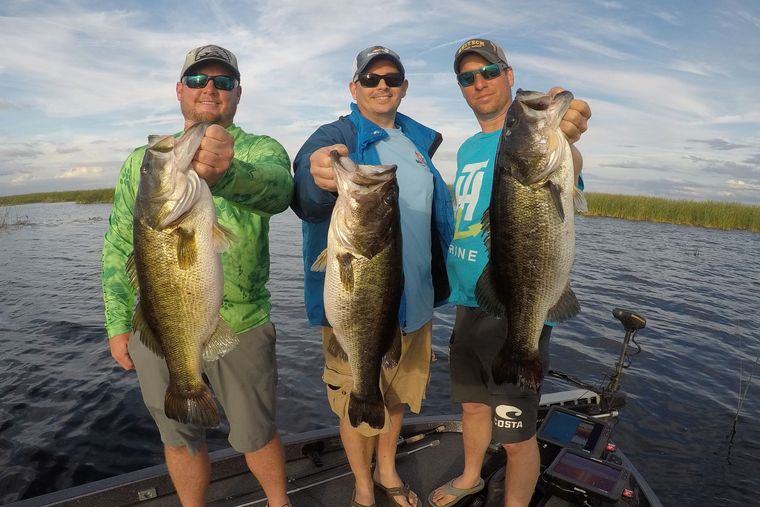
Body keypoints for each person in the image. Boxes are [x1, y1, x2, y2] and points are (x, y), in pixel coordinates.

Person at [101, 44, 294, 507]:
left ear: (237, 94)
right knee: (179, 436)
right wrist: (117, 323)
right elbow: (117, 248)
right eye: (197, 80)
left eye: (222, 82)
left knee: (255, 432)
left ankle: (280, 503)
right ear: (179, 91)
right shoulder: (143, 160)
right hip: (160, 324)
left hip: (242, 325)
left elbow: (279, 192)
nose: (209, 89)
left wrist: (227, 172)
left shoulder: (260, 149)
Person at [428, 39, 591, 507]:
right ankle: (471, 475)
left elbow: (570, 165)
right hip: (469, 300)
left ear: (509, 74)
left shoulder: (549, 144)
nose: (478, 82)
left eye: (489, 71)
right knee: (473, 405)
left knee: (516, 433)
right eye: (467, 77)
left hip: (518, 301)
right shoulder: (467, 149)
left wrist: (568, 130)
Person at [291, 46, 454, 507]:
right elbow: (307, 187)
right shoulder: (337, 134)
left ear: (404, 87)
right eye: (370, 77)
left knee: (397, 396)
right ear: (354, 88)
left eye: (392, 77)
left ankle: (387, 472)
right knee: (356, 395)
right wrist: (318, 172)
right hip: (358, 298)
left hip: (416, 300)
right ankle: (363, 487)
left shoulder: (417, 142)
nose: (381, 85)